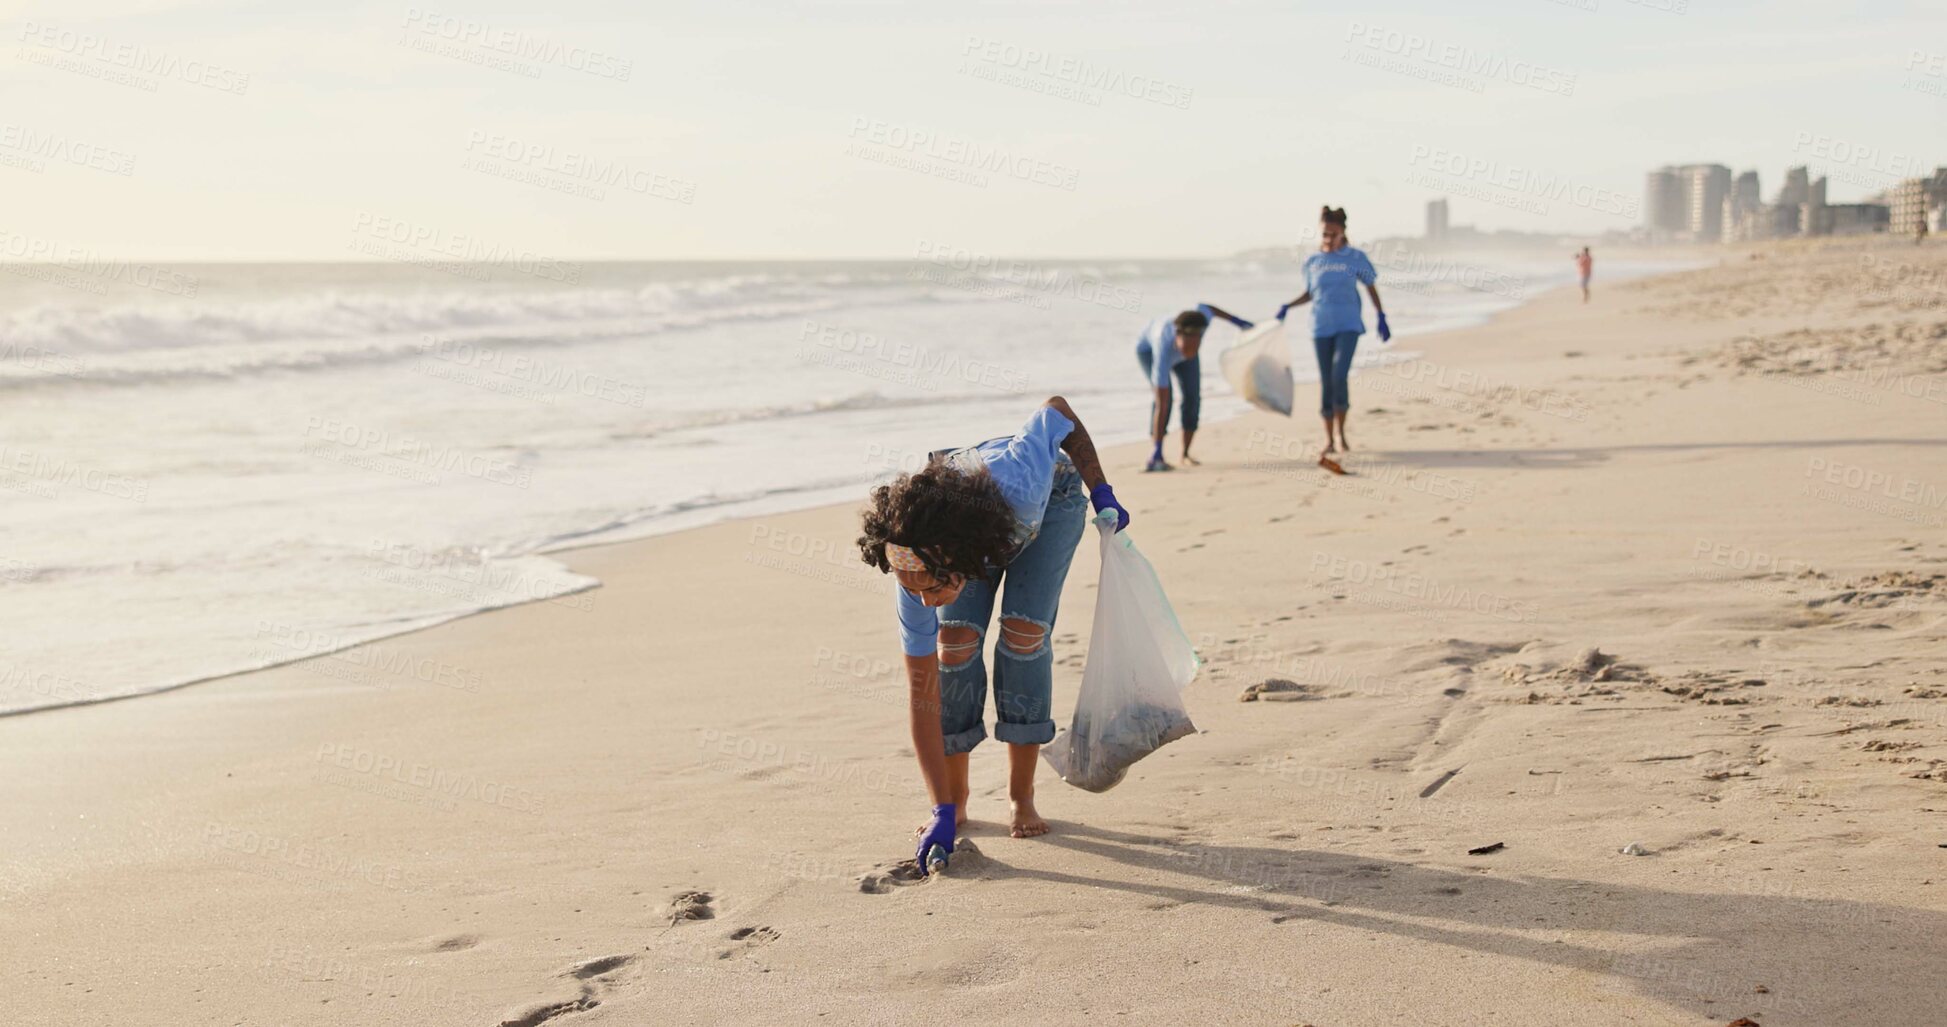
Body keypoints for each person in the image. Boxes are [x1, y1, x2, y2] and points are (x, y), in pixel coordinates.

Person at [858, 397, 1129, 873]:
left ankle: (1021, 796)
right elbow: (922, 697)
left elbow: (1056, 409)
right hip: (961, 523)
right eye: (910, 590)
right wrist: (940, 808)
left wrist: (1101, 489)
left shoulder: (1020, 480)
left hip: (1052, 501)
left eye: (930, 588)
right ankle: (957, 797)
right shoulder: (913, 567)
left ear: (958, 562)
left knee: (1024, 635)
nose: (923, 602)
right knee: (954, 643)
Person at [1279, 206, 1387, 471]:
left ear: (1342, 231)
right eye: (1325, 231)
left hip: (1348, 324)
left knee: (1340, 375)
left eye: (1333, 231)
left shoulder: (1355, 257)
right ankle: (1329, 438)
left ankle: (1341, 433)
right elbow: (1310, 293)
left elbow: (1370, 285)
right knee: (1326, 381)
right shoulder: (1312, 261)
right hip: (1320, 327)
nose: (1328, 235)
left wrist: (1381, 315)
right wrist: (1288, 306)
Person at [1135, 303, 1252, 472]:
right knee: (1165, 401)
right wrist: (1158, 449)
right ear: (1177, 336)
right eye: (1187, 348)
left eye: (1195, 347)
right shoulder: (1163, 345)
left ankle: (1185, 454)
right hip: (1148, 352)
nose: (1189, 353)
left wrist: (1240, 322)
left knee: (1192, 397)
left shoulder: (1200, 322)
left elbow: (1209, 308)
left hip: (1178, 347)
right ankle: (1157, 452)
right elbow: (1162, 402)